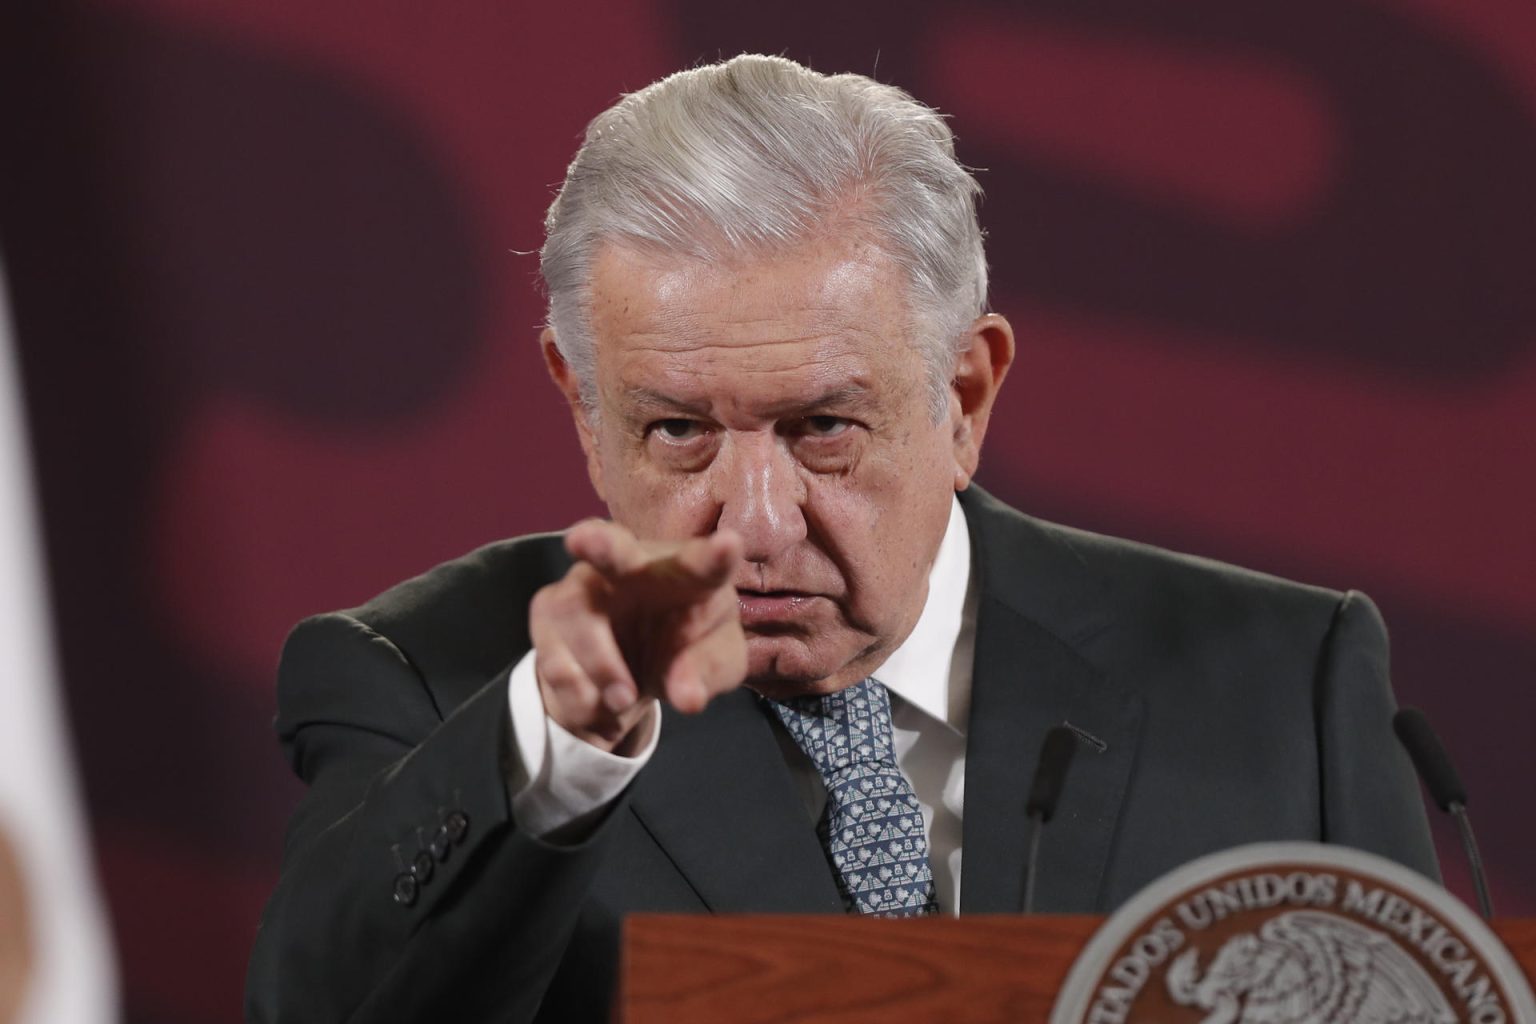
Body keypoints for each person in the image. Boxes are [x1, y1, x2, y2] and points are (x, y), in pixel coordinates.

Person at [244, 54, 1436, 1023]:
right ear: (582, 406)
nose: (755, 523)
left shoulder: (1286, 686)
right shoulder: (432, 684)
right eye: (675, 431)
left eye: (822, 429)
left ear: (963, 396)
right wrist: (559, 751)